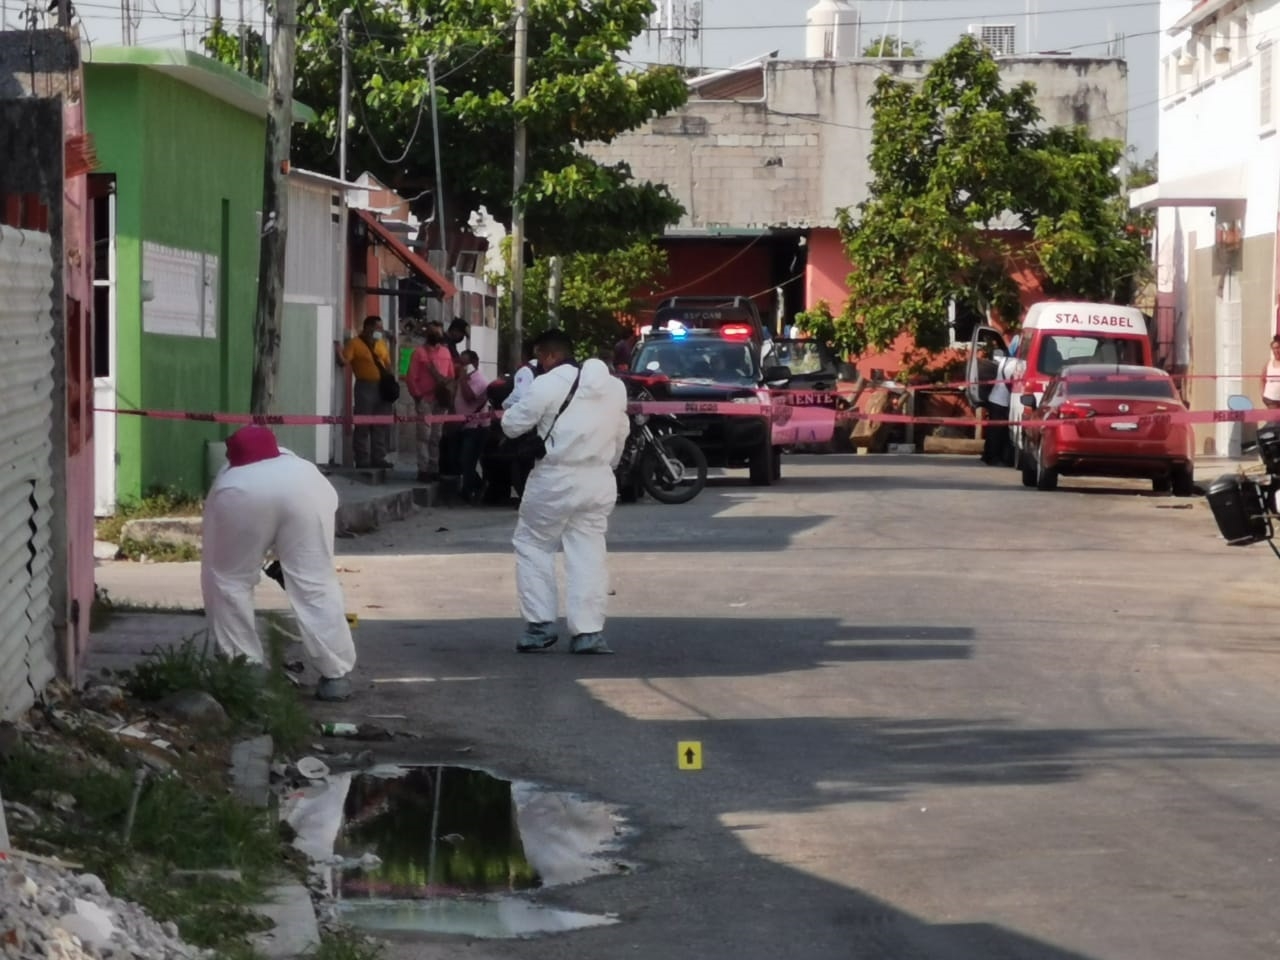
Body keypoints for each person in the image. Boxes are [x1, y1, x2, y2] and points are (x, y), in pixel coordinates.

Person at [201, 426, 356, 701]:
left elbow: (220, 562)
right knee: (316, 582)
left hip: (241, 497)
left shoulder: (228, 479)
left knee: (229, 580)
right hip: (307, 494)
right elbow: (329, 500)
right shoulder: (301, 467)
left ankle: (244, 666)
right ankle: (336, 675)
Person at [501, 329, 630, 655]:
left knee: (533, 543)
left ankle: (540, 625)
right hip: (599, 478)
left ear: (549, 356)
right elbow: (621, 434)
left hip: (555, 478)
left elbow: (512, 425)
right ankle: (588, 632)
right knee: (588, 551)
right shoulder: (615, 388)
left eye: (540, 358)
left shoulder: (546, 384)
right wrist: (605, 466)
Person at [340, 316, 394, 469]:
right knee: (363, 423)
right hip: (365, 387)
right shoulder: (355, 344)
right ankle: (362, 458)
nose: (380, 331)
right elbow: (345, 361)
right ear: (368, 327)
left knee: (380, 424)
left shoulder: (381, 344)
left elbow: (388, 364)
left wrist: (390, 382)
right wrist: (338, 350)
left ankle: (379, 457)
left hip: (382, 387)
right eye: (377, 328)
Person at [406, 320, 456, 483]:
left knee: (437, 436)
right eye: (434, 332)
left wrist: (449, 393)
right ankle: (423, 469)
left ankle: (434, 468)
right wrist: (418, 396)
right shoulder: (419, 353)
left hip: (440, 400)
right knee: (424, 435)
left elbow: (451, 375)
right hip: (425, 399)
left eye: (439, 332)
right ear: (428, 334)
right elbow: (411, 377)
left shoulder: (446, 353)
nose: (437, 335)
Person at [453, 349, 491, 503]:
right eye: (460, 363)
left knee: (467, 460)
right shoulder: (466, 378)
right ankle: (473, 487)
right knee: (463, 460)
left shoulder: (479, 380)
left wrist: (462, 379)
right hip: (465, 426)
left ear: (475, 363)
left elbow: (469, 398)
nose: (462, 366)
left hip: (476, 427)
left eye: (465, 363)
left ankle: (473, 489)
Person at [983, 335, 1019, 467]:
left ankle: (987, 455)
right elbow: (1012, 385)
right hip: (1001, 401)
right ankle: (993, 457)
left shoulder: (1004, 360)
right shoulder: (1014, 364)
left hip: (994, 399)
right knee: (997, 432)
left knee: (993, 430)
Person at [1261, 336, 1280, 409]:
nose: (1276, 350)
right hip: (1271, 399)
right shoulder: (1268, 363)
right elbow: (1262, 380)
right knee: (1273, 420)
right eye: (1274, 348)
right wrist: (1263, 395)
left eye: (1278, 348)